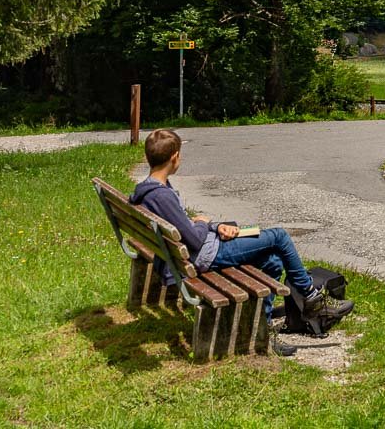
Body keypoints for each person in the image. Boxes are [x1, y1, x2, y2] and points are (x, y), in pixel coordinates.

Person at [130, 128, 353, 356]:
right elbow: (195, 239)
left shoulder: (147, 190)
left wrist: (213, 225)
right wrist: (203, 222)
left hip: (196, 250)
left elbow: (187, 227)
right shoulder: (162, 196)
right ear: (175, 157)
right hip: (205, 255)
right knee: (279, 236)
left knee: (273, 262)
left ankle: (262, 333)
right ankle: (310, 296)